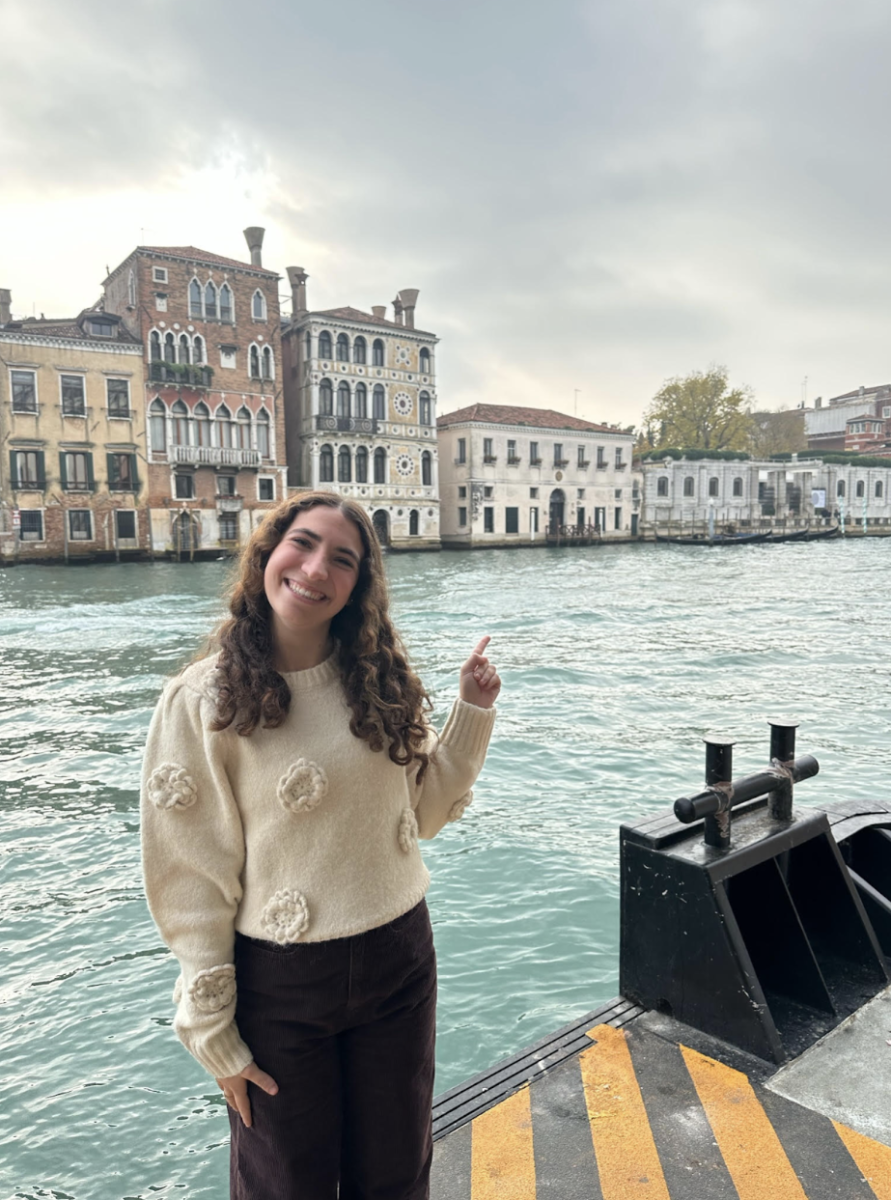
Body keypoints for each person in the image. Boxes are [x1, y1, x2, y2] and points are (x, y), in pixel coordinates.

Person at [140, 491, 500, 1199]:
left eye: (342, 559)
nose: (314, 569)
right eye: (301, 544)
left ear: (358, 585)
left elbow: (421, 814)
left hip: (399, 960)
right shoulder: (199, 700)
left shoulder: (378, 681)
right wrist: (211, 1029)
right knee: (285, 1185)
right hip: (280, 986)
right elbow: (189, 877)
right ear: (267, 553)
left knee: (397, 1174)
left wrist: (472, 713)